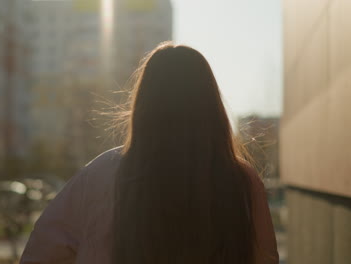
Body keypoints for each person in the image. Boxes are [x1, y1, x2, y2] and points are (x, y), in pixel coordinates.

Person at [20, 42, 279, 264]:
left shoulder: (101, 174)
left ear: (143, 104)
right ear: (211, 108)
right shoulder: (242, 181)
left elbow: (39, 254)